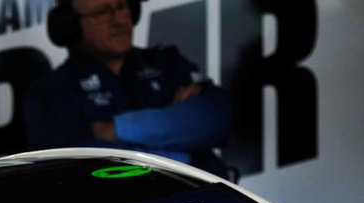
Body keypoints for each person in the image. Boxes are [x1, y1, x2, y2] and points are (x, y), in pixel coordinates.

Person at [24, 0, 232, 178]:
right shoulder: (52, 91)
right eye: (103, 12)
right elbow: (81, 164)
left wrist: (117, 129)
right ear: (71, 25)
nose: (119, 20)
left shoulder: (167, 62)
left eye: (122, 6)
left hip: (204, 201)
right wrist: (181, 151)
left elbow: (218, 117)